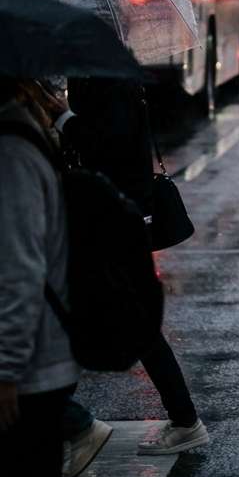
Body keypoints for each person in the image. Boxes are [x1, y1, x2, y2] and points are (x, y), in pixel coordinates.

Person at [47, 76, 208, 456]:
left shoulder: (106, 79)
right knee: (98, 312)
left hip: (114, 214)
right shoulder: (104, 73)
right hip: (111, 211)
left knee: (112, 315)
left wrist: (63, 117)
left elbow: (106, 147)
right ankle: (72, 421)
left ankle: (73, 421)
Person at [0, 78, 93, 477]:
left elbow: (14, 272)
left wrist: (4, 370)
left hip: (26, 373)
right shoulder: (28, 132)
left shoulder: (8, 150)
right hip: (37, 365)